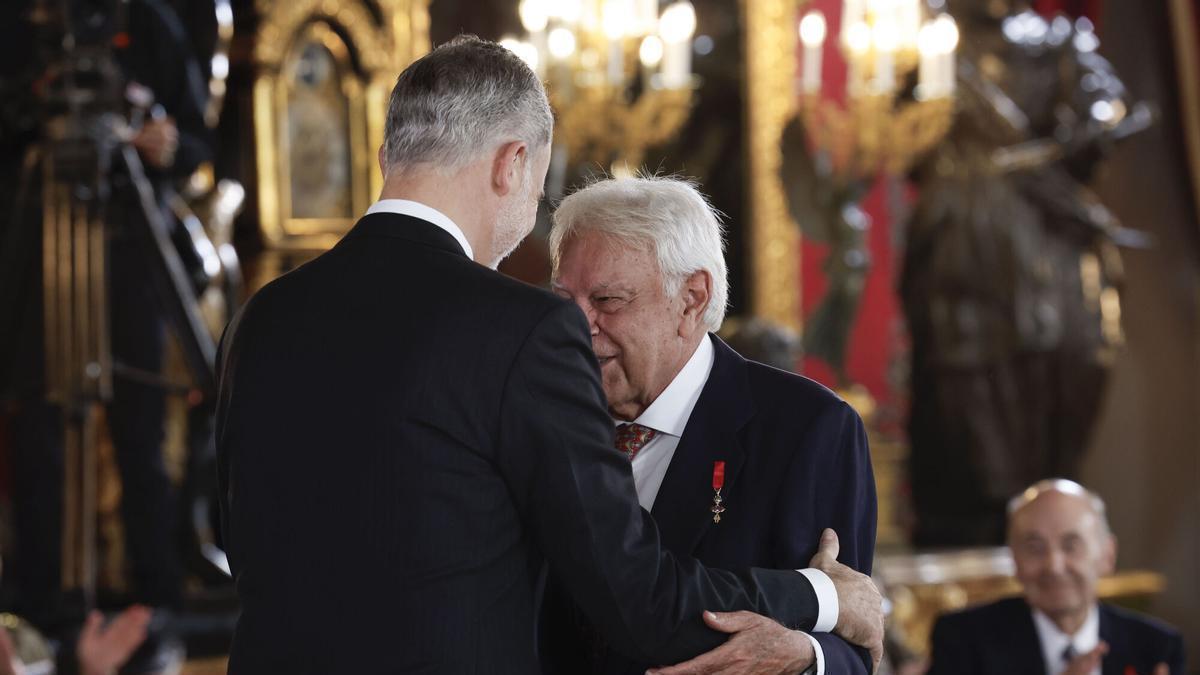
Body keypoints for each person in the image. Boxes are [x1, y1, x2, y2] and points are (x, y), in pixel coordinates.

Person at [214, 35, 883, 673]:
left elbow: (241, 541)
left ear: (389, 157)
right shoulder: (516, 328)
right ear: (511, 164)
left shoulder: (262, 316)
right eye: (537, 187)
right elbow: (638, 594)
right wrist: (824, 595)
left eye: (609, 299)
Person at [543, 176, 877, 675]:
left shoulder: (808, 431)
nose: (576, 324)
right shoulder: (539, 411)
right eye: (563, 300)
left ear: (692, 299)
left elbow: (853, 639)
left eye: (607, 301)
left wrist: (807, 656)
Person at [928, 479, 1185, 675]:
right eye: (1035, 548)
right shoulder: (963, 641)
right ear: (1014, 560)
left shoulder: (1155, 647)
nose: (1054, 566)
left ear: (1107, 555)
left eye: (1071, 546)